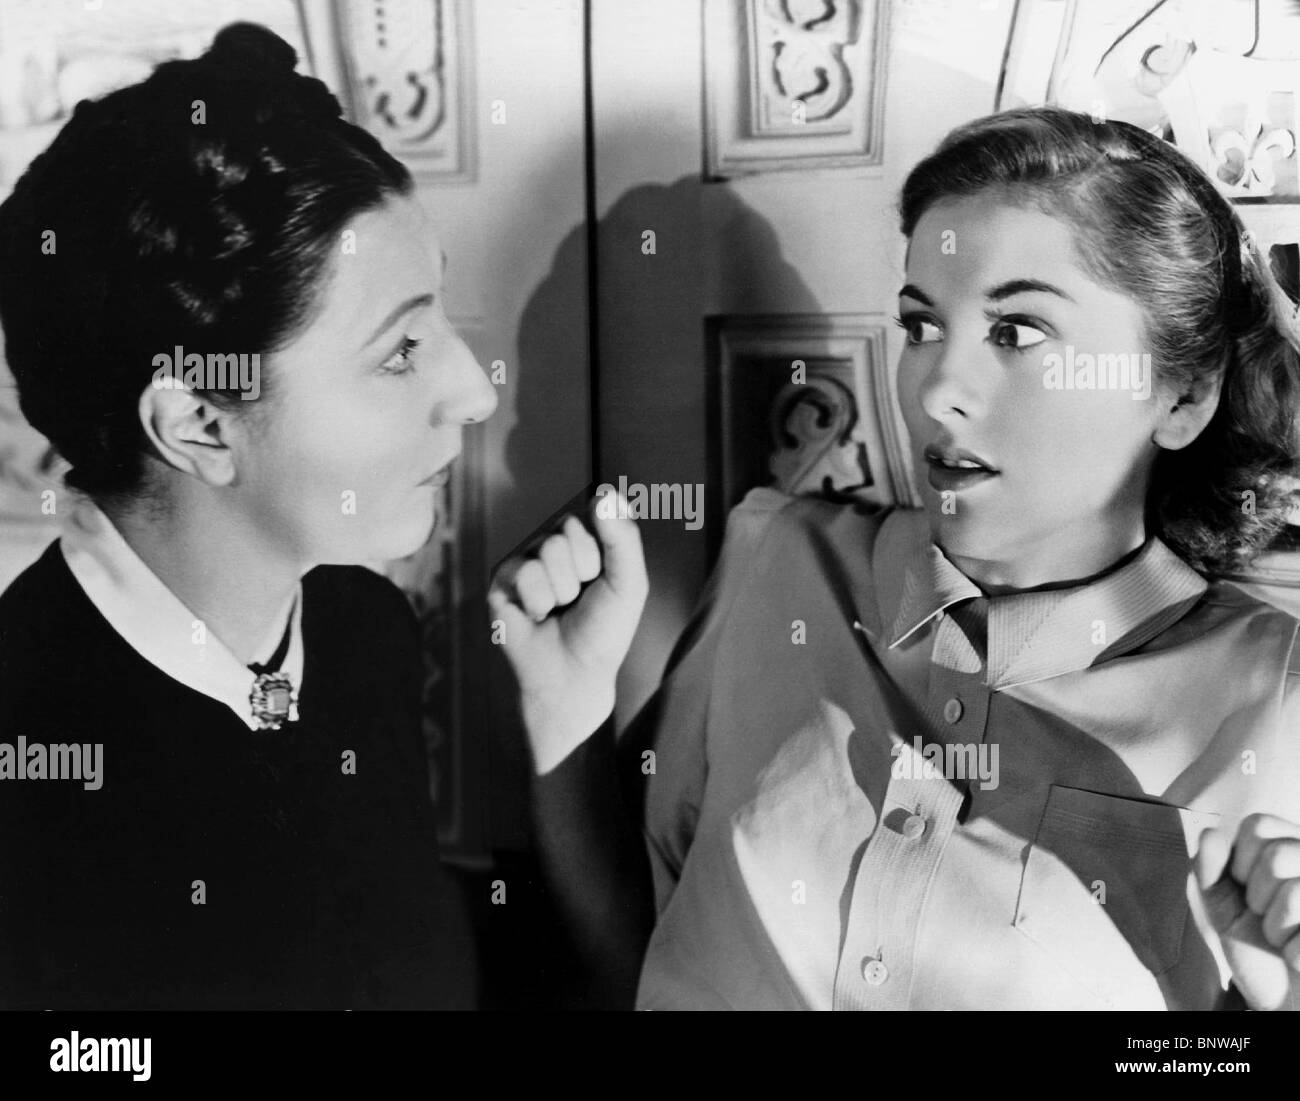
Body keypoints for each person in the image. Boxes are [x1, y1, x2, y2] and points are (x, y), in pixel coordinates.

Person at [491, 106, 1300, 1010]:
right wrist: (565, 710)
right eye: (921, 326)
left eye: (1018, 331)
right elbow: (636, 959)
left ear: (1182, 394)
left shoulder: (1273, 694)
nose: (937, 391)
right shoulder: (776, 560)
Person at [0, 23, 496, 1009]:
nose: (475, 390)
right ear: (198, 423)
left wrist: (563, 732)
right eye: (400, 349)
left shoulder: (366, 636)